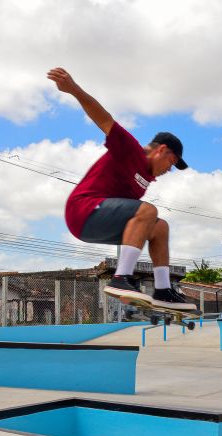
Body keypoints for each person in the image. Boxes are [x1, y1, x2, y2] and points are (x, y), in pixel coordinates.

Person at [47, 67, 197, 312]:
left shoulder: (145, 179)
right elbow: (104, 119)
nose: (168, 170)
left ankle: (163, 290)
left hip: (98, 223)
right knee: (149, 211)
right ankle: (121, 279)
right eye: (171, 163)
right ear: (161, 150)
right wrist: (73, 89)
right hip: (83, 210)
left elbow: (135, 220)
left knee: (160, 227)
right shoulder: (130, 149)